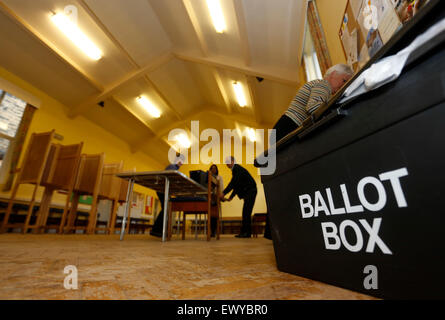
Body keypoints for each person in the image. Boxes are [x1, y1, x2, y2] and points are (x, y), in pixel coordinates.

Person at [273, 64, 354, 142]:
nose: (343, 85)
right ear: (333, 74)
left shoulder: (319, 84)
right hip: (289, 126)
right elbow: (312, 107)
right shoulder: (325, 85)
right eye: (344, 80)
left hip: (284, 126)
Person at [221, 156, 257, 238]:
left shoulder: (237, 169)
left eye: (228, 162)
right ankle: (245, 232)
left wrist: (223, 193)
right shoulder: (236, 170)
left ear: (233, 161)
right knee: (246, 212)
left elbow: (233, 183)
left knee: (246, 212)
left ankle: (246, 233)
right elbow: (237, 185)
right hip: (250, 191)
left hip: (250, 191)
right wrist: (231, 197)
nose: (226, 164)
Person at [149, 155, 184, 238]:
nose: (181, 163)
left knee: (166, 209)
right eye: (180, 160)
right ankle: (156, 230)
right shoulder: (172, 167)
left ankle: (158, 230)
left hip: (163, 190)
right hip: (162, 189)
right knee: (166, 209)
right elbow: (168, 178)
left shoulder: (174, 168)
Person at [209, 164, 224, 237]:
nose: (213, 170)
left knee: (215, 215)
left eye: (215, 168)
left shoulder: (219, 177)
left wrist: (221, 196)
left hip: (216, 197)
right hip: (210, 197)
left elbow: (221, 187)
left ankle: (214, 231)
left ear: (217, 170)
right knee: (210, 215)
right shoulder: (208, 177)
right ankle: (211, 231)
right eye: (212, 168)